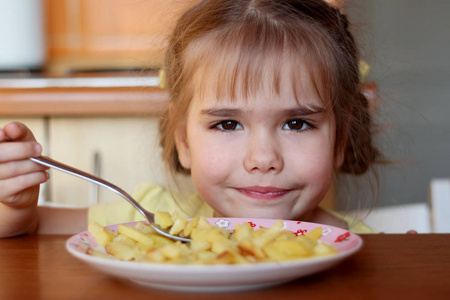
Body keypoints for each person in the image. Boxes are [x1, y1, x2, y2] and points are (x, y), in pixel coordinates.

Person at [0, 0, 382, 238]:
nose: (264, 159)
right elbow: (33, 226)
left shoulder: (364, 249)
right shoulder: (154, 219)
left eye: (296, 123)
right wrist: (17, 210)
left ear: (340, 139)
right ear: (183, 140)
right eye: (227, 124)